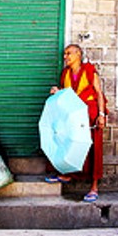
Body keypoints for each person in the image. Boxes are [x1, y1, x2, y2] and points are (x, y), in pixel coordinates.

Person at [45, 44, 107, 203]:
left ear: (78, 54)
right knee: (70, 145)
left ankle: (94, 187)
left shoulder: (89, 70)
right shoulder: (65, 73)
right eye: (65, 54)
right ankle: (68, 175)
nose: (65, 57)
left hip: (91, 115)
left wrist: (101, 115)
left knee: (93, 150)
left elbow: (98, 93)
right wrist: (56, 92)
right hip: (74, 117)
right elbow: (67, 96)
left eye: (69, 54)